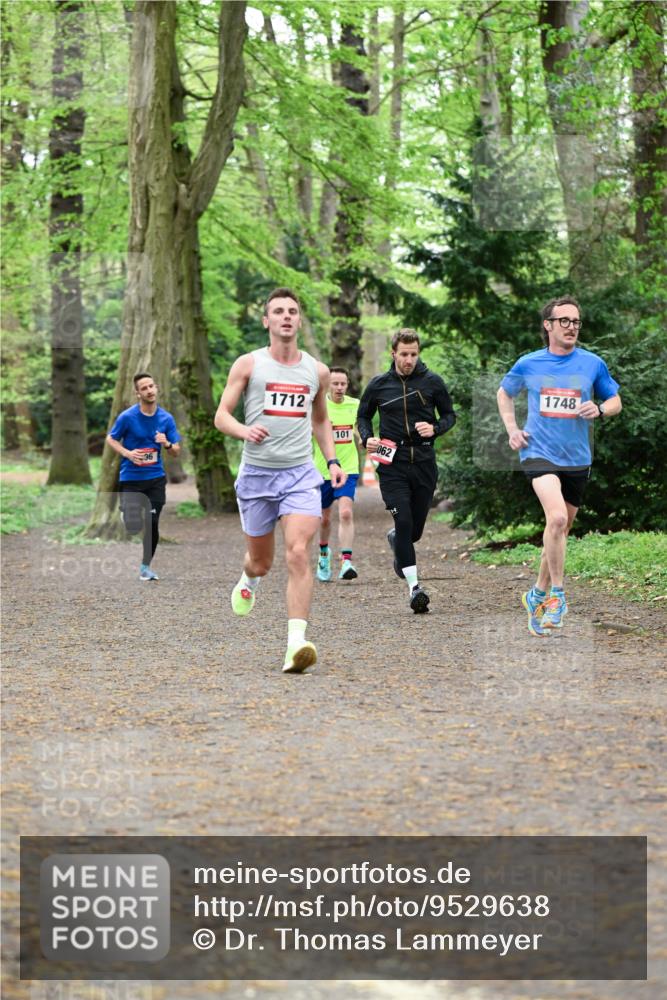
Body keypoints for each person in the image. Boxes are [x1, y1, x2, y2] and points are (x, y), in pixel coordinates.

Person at [214, 288, 346, 674]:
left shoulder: (316, 371)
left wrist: (333, 460)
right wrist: (243, 430)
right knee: (261, 562)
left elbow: (321, 419)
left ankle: (296, 644)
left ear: (299, 320)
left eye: (292, 311)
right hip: (256, 476)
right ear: (266, 321)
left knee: (298, 551)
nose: (286, 316)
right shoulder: (248, 365)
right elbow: (221, 415)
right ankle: (248, 578)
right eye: (278, 311)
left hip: (300, 474)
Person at [497, 296, 621, 636]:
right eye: (564, 320)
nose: (571, 327)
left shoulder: (593, 363)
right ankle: (558, 596)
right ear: (548, 325)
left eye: (576, 321)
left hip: (577, 459)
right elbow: (504, 394)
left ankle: (536, 592)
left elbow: (615, 400)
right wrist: (512, 429)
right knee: (557, 518)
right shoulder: (529, 363)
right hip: (538, 452)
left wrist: (600, 409)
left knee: (558, 532)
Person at [357, 329, 456, 613]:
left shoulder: (432, 382)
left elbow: (450, 415)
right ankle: (415, 589)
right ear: (393, 353)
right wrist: (367, 438)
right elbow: (363, 415)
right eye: (404, 354)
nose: (409, 359)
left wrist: (435, 428)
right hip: (392, 462)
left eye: (413, 354)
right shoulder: (379, 385)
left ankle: (397, 542)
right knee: (402, 522)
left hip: (424, 461)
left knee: (413, 531)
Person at [106, 373, 181, 581]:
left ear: (156, 388)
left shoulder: (166, 419)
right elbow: (111, 439)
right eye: (144, 388)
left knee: (153, 522)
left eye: (151, 386)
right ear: (137, 393)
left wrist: (166, 443)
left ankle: (146, 566)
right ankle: (126, 515)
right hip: (131, 478)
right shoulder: (127, 417)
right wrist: (128, 454)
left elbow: (176, 450)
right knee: (133, 526)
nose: (149, 390)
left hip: (155, 478)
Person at [312, 366, 360, 582]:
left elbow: (359, 430)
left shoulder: (355, 405)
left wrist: (363, 437)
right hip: (322, 470)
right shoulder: (319, 406)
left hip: (348, 467)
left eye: (343, 384)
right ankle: (323, 554)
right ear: (327, 385)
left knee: (346, 513)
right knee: (324, 519)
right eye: (335, 383)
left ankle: (346, 561)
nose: (339, 388)